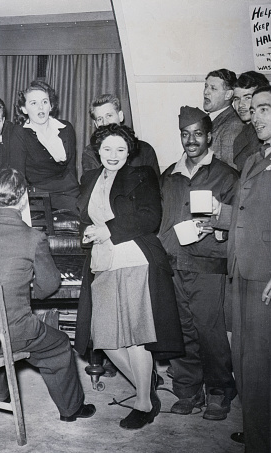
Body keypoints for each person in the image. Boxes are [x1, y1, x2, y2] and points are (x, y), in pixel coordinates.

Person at [0, 168, 95, 422]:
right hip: (9, 334)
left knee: (6, 329)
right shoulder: (33, 237)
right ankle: (71, 409)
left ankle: (0, 396)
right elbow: (48, 286)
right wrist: (27, 287)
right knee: (59, 344)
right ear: (23, 199)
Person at [75, 124, 184, 430]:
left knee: (136, 336)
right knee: (104, 336)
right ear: (98, 150)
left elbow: (150, 218)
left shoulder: (142, 175)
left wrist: (107, 230)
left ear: (129, 152)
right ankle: (145, 382)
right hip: (102, 261)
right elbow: (85, 216)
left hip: (134, 258)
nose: (113, 155)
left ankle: (144, 403)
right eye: (107, 149)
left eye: (120, 149)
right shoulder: (89, 178)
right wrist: (87, 231)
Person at [158, 106, 238, 420]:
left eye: (198, 134)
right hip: (174, 262)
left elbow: (239, 222)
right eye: (185, 134)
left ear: (210, 136)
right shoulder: (169, 175)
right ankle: (187, 390)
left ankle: (219, 391)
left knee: (210, 331)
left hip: (208, 264)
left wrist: (218, 229)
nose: (191, 140)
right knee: (181, 330)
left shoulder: (226, 175)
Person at [226, 85, 271, 451]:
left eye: (265, 108)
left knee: (260, 363)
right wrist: (216, 216)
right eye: (253, 110)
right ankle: (257, 433)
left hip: (264, 274)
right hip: (242, 267)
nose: (255, 116)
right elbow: (246, 212)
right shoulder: (256, 157)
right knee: (244, 361)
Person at [11, 80, 80, 215]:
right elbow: (18, 176)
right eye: (34, 103)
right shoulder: (20, 133)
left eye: (44, 102)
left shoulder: (66, 128)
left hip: (71, 193)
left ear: (51, 105)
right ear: (24, 109)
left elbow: (71, 169)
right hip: (40, 198)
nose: (40, 107)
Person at [81, 94, 160, 177]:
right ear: (96, 124)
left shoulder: (144, 149)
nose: (105, 123)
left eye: (109, 116)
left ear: (120, 116)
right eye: (100, 119)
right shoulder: (90, 153)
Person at [202, 69, 243, 168]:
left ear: (228, 95)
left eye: (213, 88)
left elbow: (230, 171)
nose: (206, 92)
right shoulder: (205, 119)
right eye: (206, 86)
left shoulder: (234, 125)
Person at [232, 71, 270, 171]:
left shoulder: (265, 133)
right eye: (236, 99)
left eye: (247, 98)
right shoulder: (242, 134)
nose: (241, 104)